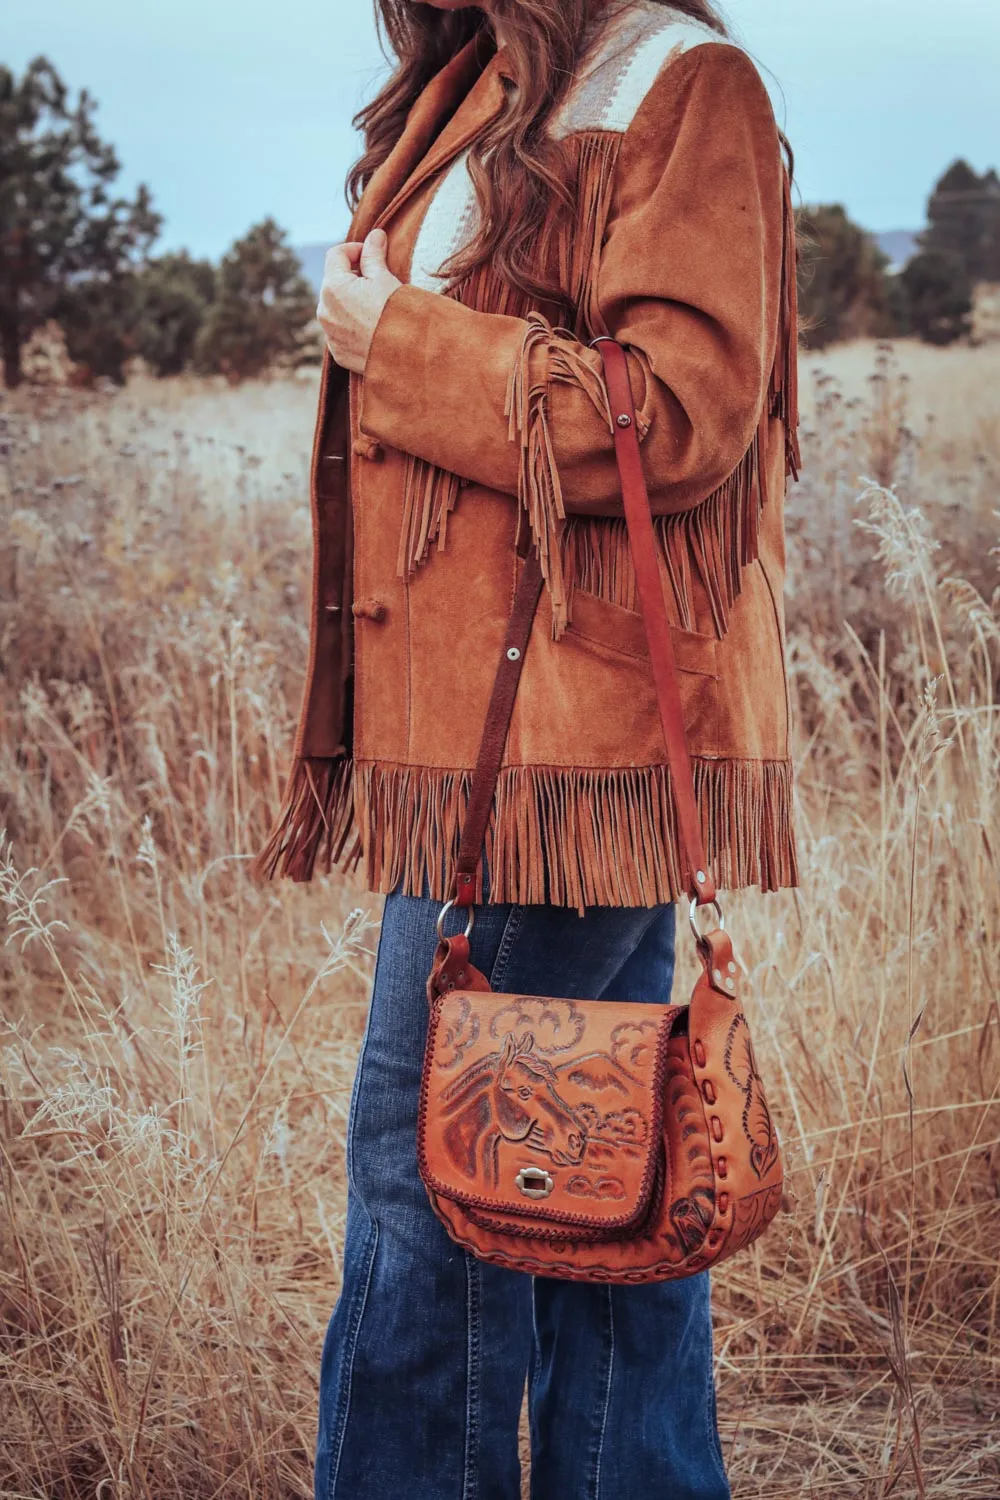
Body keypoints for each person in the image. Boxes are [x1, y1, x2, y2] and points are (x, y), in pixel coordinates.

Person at [258, 1, 800, 1495]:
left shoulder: (685, 85)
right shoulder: (483, 80)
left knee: (428, 1174)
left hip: (566, 747)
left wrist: (397, 338)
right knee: (609, 1182)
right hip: (487, 752)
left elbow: (682, 408)